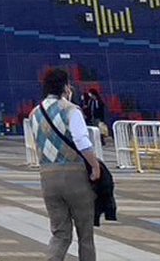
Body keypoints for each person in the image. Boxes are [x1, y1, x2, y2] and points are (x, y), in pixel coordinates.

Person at [33, 66, 104, 260]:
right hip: (74, 176)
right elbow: (81, 140)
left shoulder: (34, 113)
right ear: (65, 87)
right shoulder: (71, 110)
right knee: (85, 235)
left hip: (47, 177)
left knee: (60, 233)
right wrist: (95, 165)